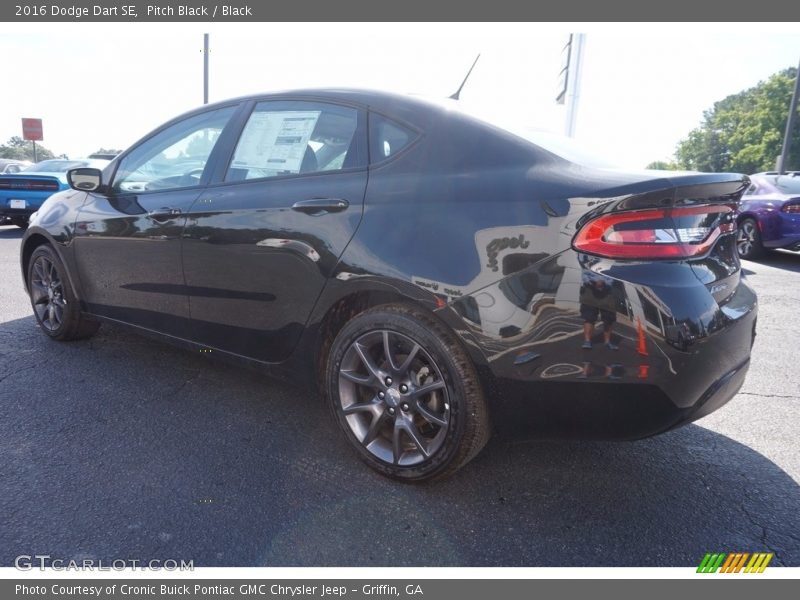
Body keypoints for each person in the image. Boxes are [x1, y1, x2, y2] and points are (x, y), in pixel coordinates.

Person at [579, 277, 618, 350]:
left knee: (609, 318)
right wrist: (594, 280)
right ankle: (587, 341)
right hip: (590, 289)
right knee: (589, 316)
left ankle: (607, 341)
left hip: (608, 291)